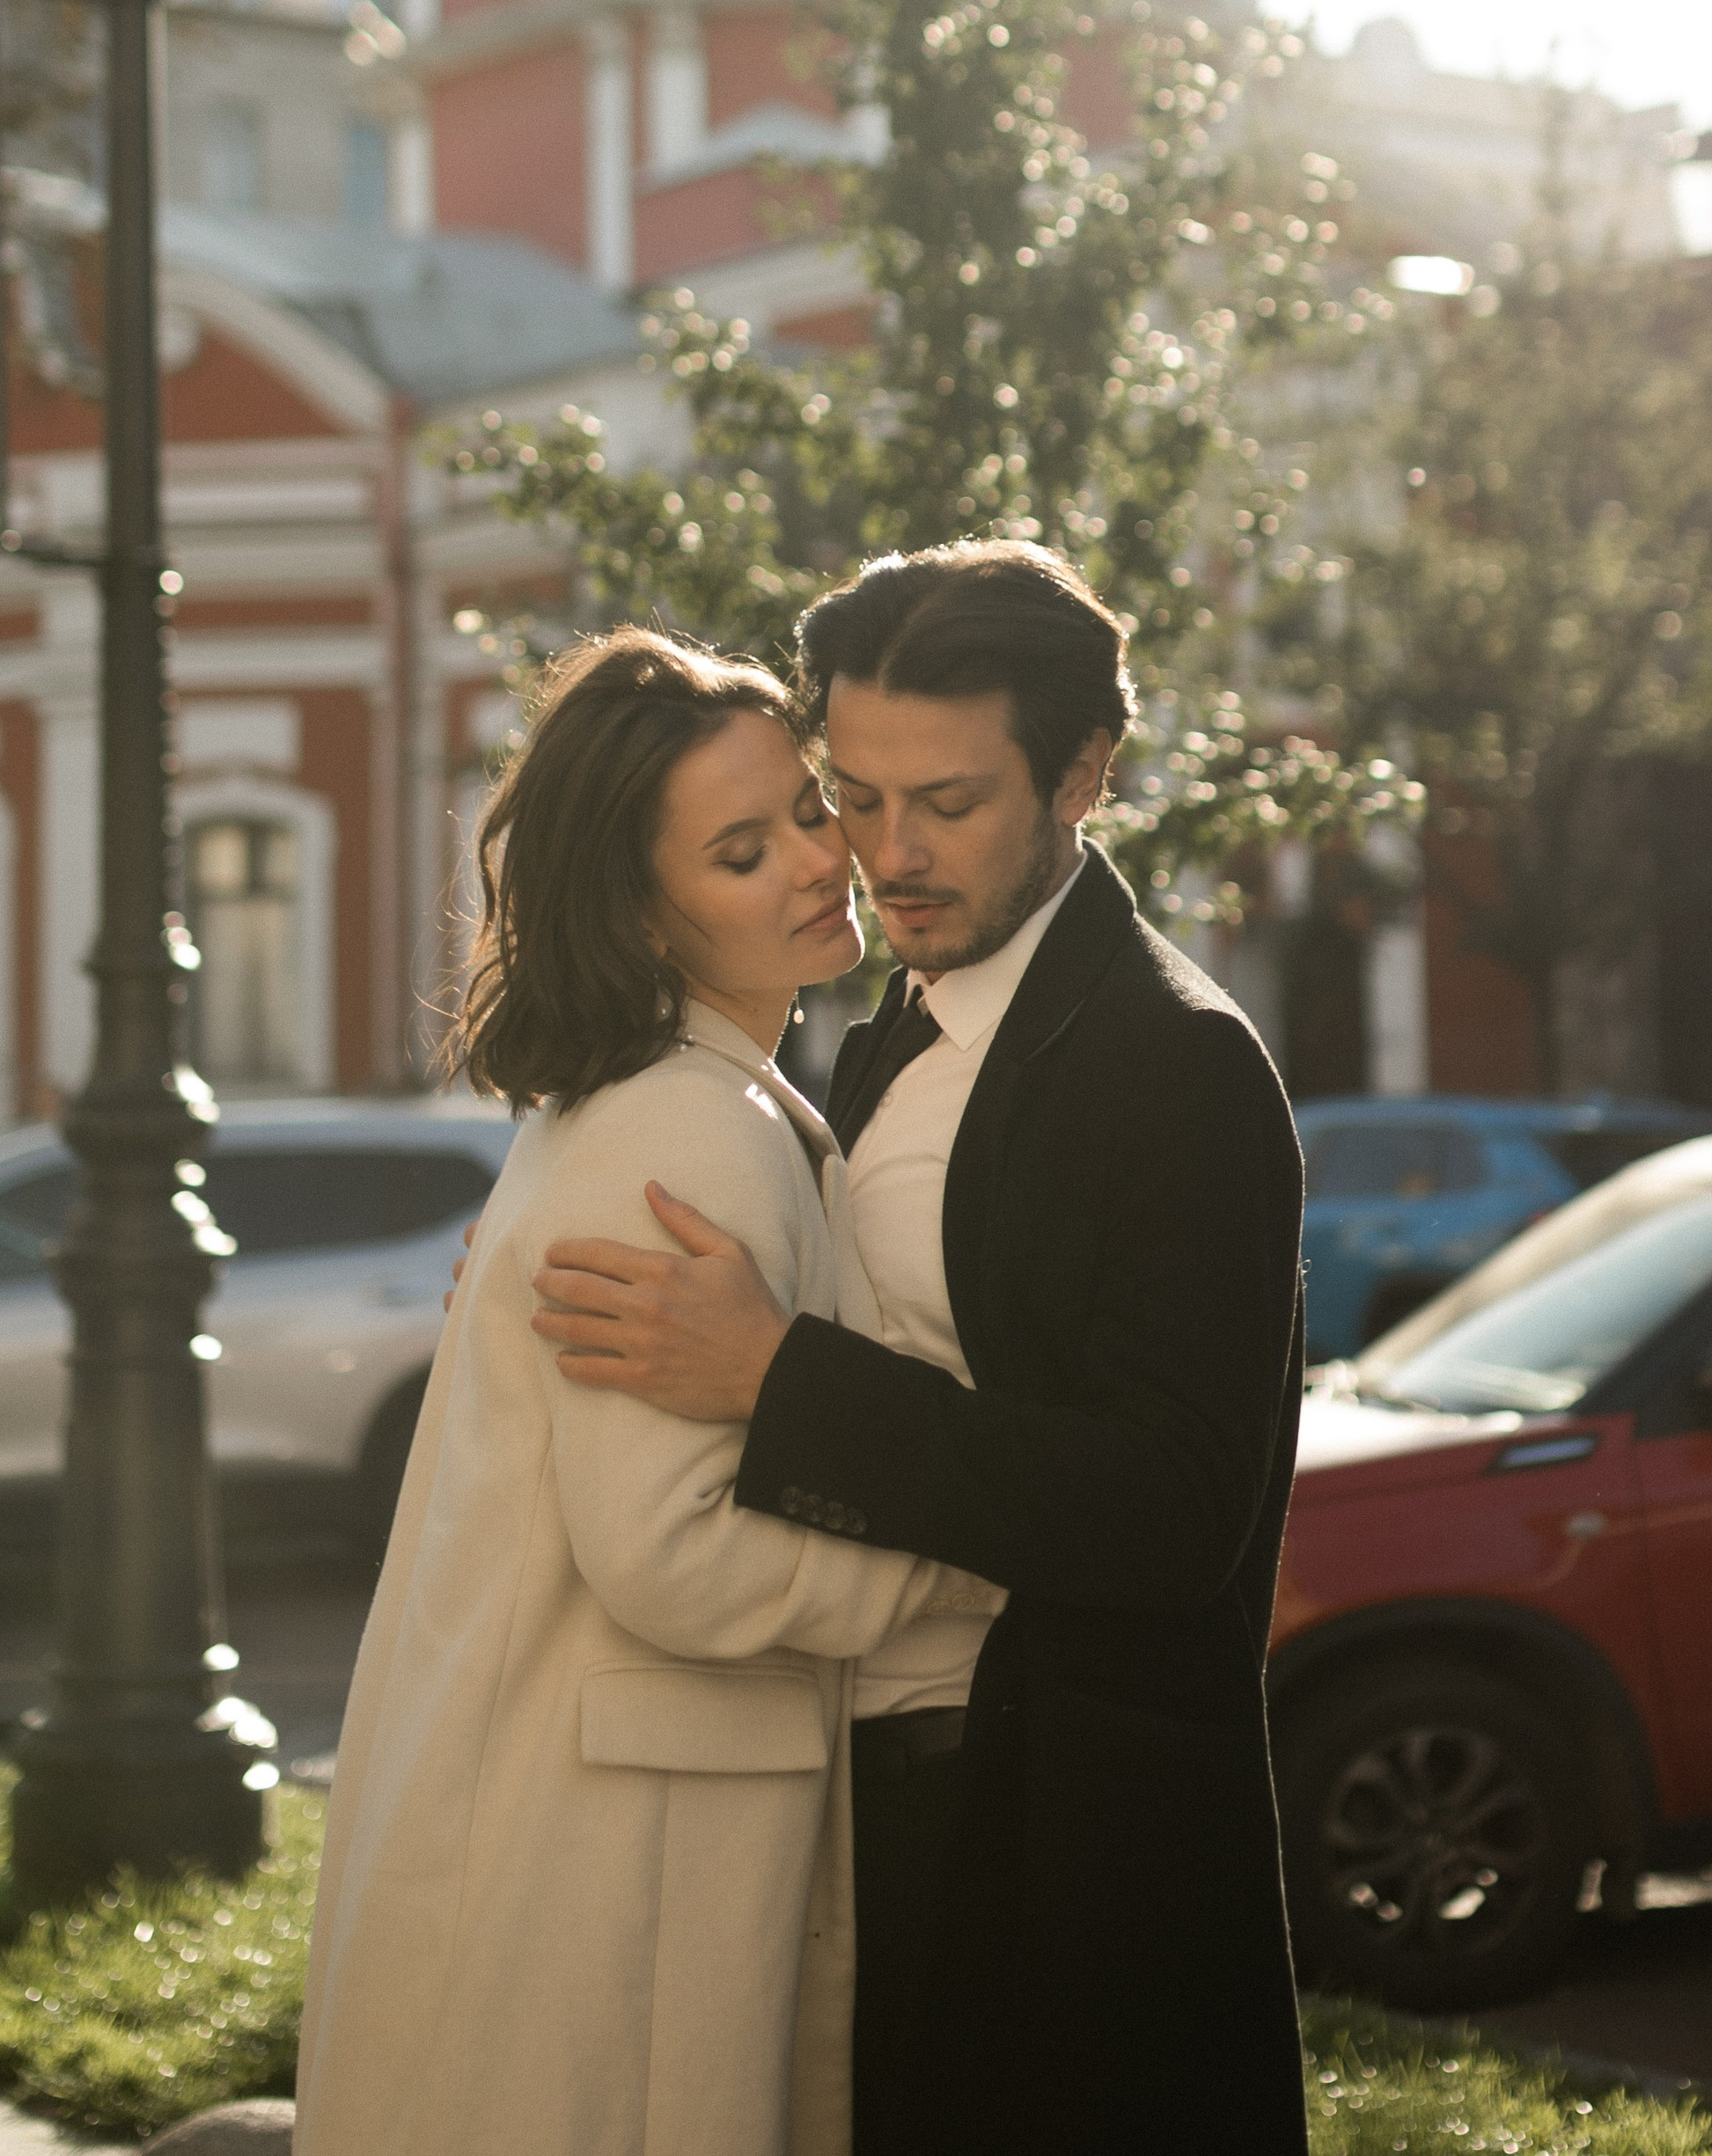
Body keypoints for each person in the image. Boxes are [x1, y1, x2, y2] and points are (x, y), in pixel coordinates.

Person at [528, 544, 1310, 2156]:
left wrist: (777, 1379)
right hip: (888, 1823)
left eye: (947, 803)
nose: (888, 851)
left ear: (1085, 773)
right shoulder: (897, 1022)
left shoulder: (1179, 1065)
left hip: (1072, 1864)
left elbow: (1176, 1507)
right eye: (853, 797)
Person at [295, 629, 998, 2156]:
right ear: (645, 912)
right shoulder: (680, 1130)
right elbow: (666, 1548)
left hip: (604, 1837)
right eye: (743, 852)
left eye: (808, 811)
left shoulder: (692, 1101)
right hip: (599, 1871)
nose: (819, 862)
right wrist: (958, 1564)